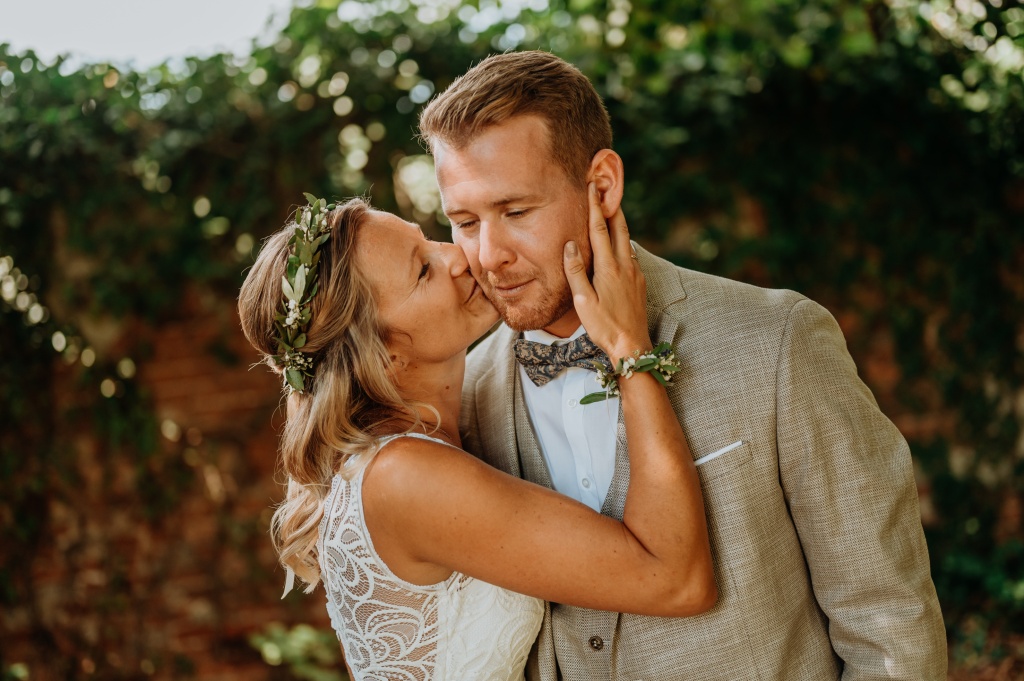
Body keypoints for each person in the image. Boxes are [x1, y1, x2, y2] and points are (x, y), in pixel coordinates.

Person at [418, 50, 947, 681]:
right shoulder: (468, 395)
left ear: (602, 186)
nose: (488, 255)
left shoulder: (777, 340)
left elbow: (888, 623)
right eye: (464, 221)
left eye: (516, 212)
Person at [237, 190, 717, 681]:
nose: (459, 258)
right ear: (382, 354)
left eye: (430, 240)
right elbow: (675, 579)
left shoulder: (396, 458)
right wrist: (627, 346)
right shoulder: (403, 477)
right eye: (423, 270)